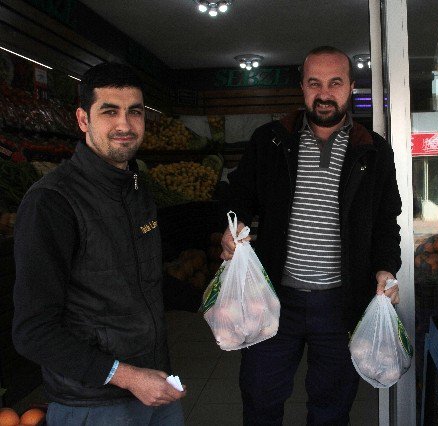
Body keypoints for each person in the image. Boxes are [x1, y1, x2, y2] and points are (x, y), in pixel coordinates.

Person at [221, 46, 402, 425]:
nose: (324, 93)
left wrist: (386, 268)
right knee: (259, 397)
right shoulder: (270, 140)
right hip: (272, 301)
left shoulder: (372, 150)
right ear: (302, 87)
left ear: (351, 87)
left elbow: (387, 220)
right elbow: (237, 194)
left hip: (340, 305)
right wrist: (230, 225)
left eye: (335, 83)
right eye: (315, 83)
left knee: (331, 407)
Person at [12, 62, 185, 425]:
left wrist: (217, 297)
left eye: (134, 112)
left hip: (157, 388)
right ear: (82, 119)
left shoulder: (138, 190)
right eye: (109, 111)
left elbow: (142, 282)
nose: (124, 125)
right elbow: (33, 331)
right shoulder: (53, 201)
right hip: (93, 403)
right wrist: (127, 376)